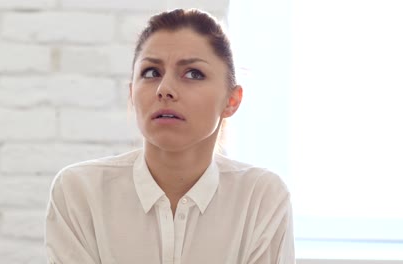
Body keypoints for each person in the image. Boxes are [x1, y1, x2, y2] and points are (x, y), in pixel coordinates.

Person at [45, 8, 295, 264]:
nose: (165, 89)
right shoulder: (79, 192)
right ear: (132, 93)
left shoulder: (261, 197)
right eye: (151, 72)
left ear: (232, 100)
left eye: (193, 73)